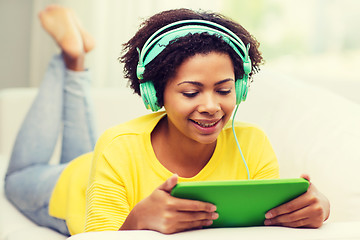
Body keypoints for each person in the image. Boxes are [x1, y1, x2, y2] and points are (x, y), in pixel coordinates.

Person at [5, 5, 330, 237]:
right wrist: (136, 223)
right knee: (17, 177)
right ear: (155, 96)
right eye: (191, 93)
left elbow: (264, 225)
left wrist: (319, 206)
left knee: (90, 150)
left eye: (224, 89)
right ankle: (71, 58)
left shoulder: (253, 144)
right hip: (66, 187)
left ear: (240, 88)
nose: (211, 106)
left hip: (103, 167)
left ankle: (75, 59)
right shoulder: (117, 146)